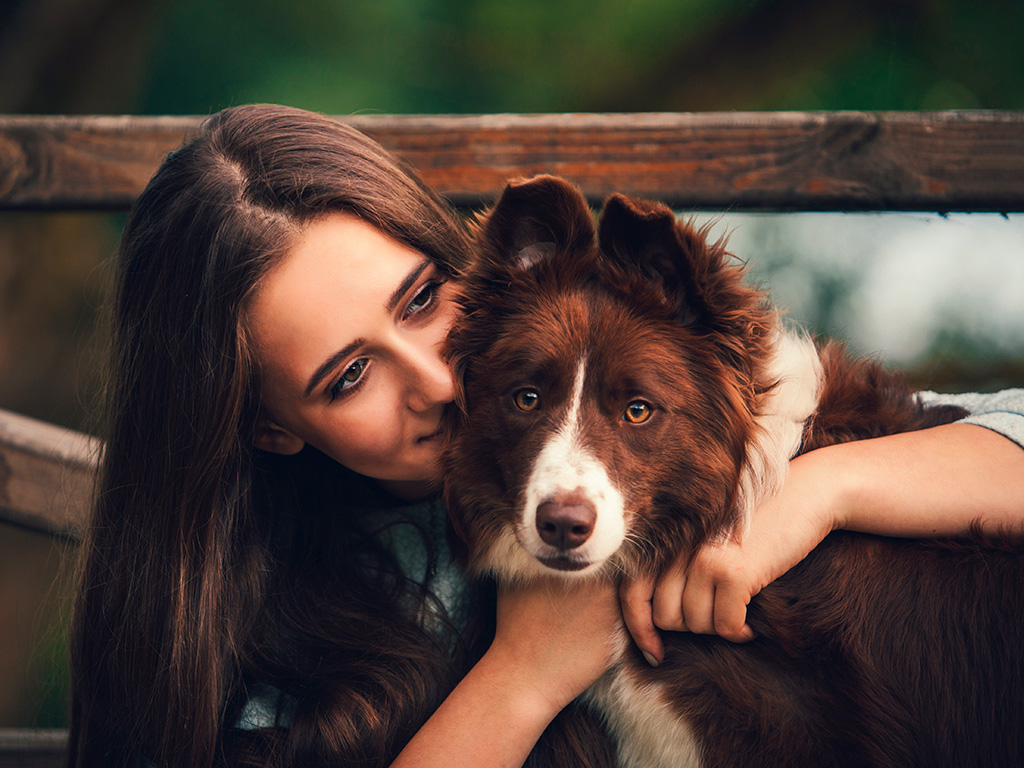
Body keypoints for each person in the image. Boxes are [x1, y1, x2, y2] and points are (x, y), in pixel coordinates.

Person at [66, 103, 1024, 768]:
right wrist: (521, 678)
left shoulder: (582, 357)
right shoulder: (235, 632)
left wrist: (825, 492)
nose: (442, 380)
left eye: (420, 301)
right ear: (270, 429)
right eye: (350, 376)